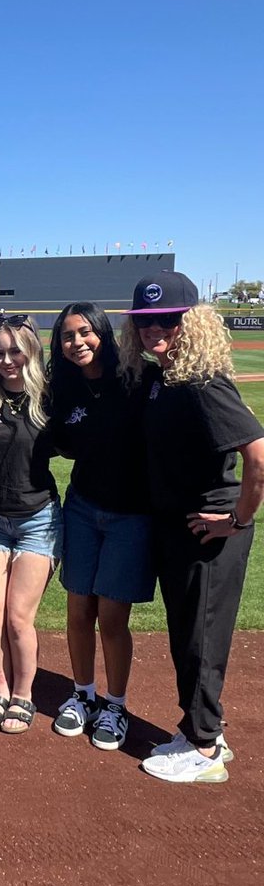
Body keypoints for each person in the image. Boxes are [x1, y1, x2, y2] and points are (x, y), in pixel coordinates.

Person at [120, 271, 264, 783]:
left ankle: (204, 751)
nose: (153, 330)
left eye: (167, 321)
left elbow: (259, 457)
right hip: (178, 526)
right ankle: (201, 730)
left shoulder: (203, 383)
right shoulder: (166, 377)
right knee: (187, 633)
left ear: (192, 322)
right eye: (144, 321)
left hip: (209, 529)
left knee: (202, 636)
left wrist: (239, 519)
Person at [48, 303, 154, 750]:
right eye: (68, 336)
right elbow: (61, 443)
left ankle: (115, 704)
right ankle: (82, 695)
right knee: (78, 611)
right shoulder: (65, 388)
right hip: (84, 508)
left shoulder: (139, 377)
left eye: (86, 332)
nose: (78, 343)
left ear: (103, 333)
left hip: (132, 515)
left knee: (112, 617)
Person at [0, 314, 61, 735]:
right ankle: (0, 689)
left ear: (31, 351)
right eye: (0, 351)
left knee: (18, 618)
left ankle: (24, 695)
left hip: (37, 520)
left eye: (15, 351)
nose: (7, 359)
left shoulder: (49, 398)